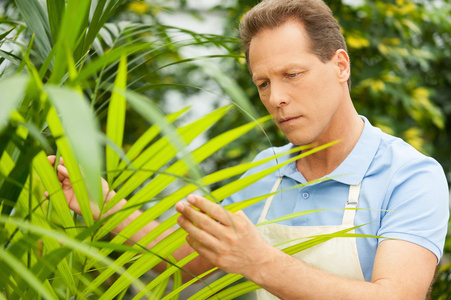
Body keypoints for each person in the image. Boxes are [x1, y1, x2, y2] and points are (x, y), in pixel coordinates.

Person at [50, 0, 449, 299]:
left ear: (340, 65)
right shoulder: (268, 170)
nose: (277, 98)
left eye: (292, 75)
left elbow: (397, 296)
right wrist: (104, 205)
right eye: (262, 84)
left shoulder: (408, 174)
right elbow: (195, 262)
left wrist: (261, 262)